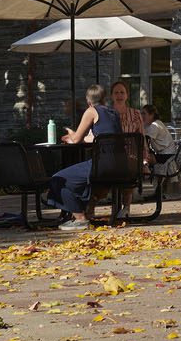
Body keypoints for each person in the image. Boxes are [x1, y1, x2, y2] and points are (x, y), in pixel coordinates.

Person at [46, 85, 120, 231]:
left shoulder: (91, 111)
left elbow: (77, 139)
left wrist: (71, 134)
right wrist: (84, 138)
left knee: (58, 179)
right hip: (117, 164)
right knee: (75, 178)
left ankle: (80, 218)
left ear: (89, 101)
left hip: (101, 164)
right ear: (105, 99)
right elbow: (102, 137)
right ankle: (81, 210)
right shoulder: (113, 113)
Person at [110, 80, 152, 171]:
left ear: (127, 95)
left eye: (122, 92)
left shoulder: (135, 113)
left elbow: (142, 138)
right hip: (111, 158)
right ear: (111, 96)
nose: (119, 95)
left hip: (131, 158)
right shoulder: (106, 114)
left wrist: (145, 161)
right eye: (116, 92)